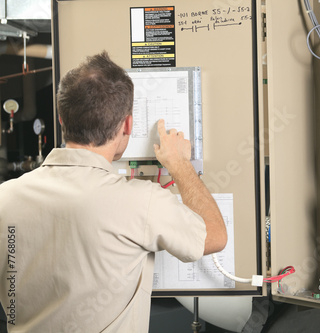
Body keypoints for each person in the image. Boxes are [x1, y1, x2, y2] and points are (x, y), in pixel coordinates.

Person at [0, 51, 227, 332]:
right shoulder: (141, 201)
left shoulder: (4, 198)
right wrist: (181, 165)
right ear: (127, 125)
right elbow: (215, 236)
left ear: (61, 119)